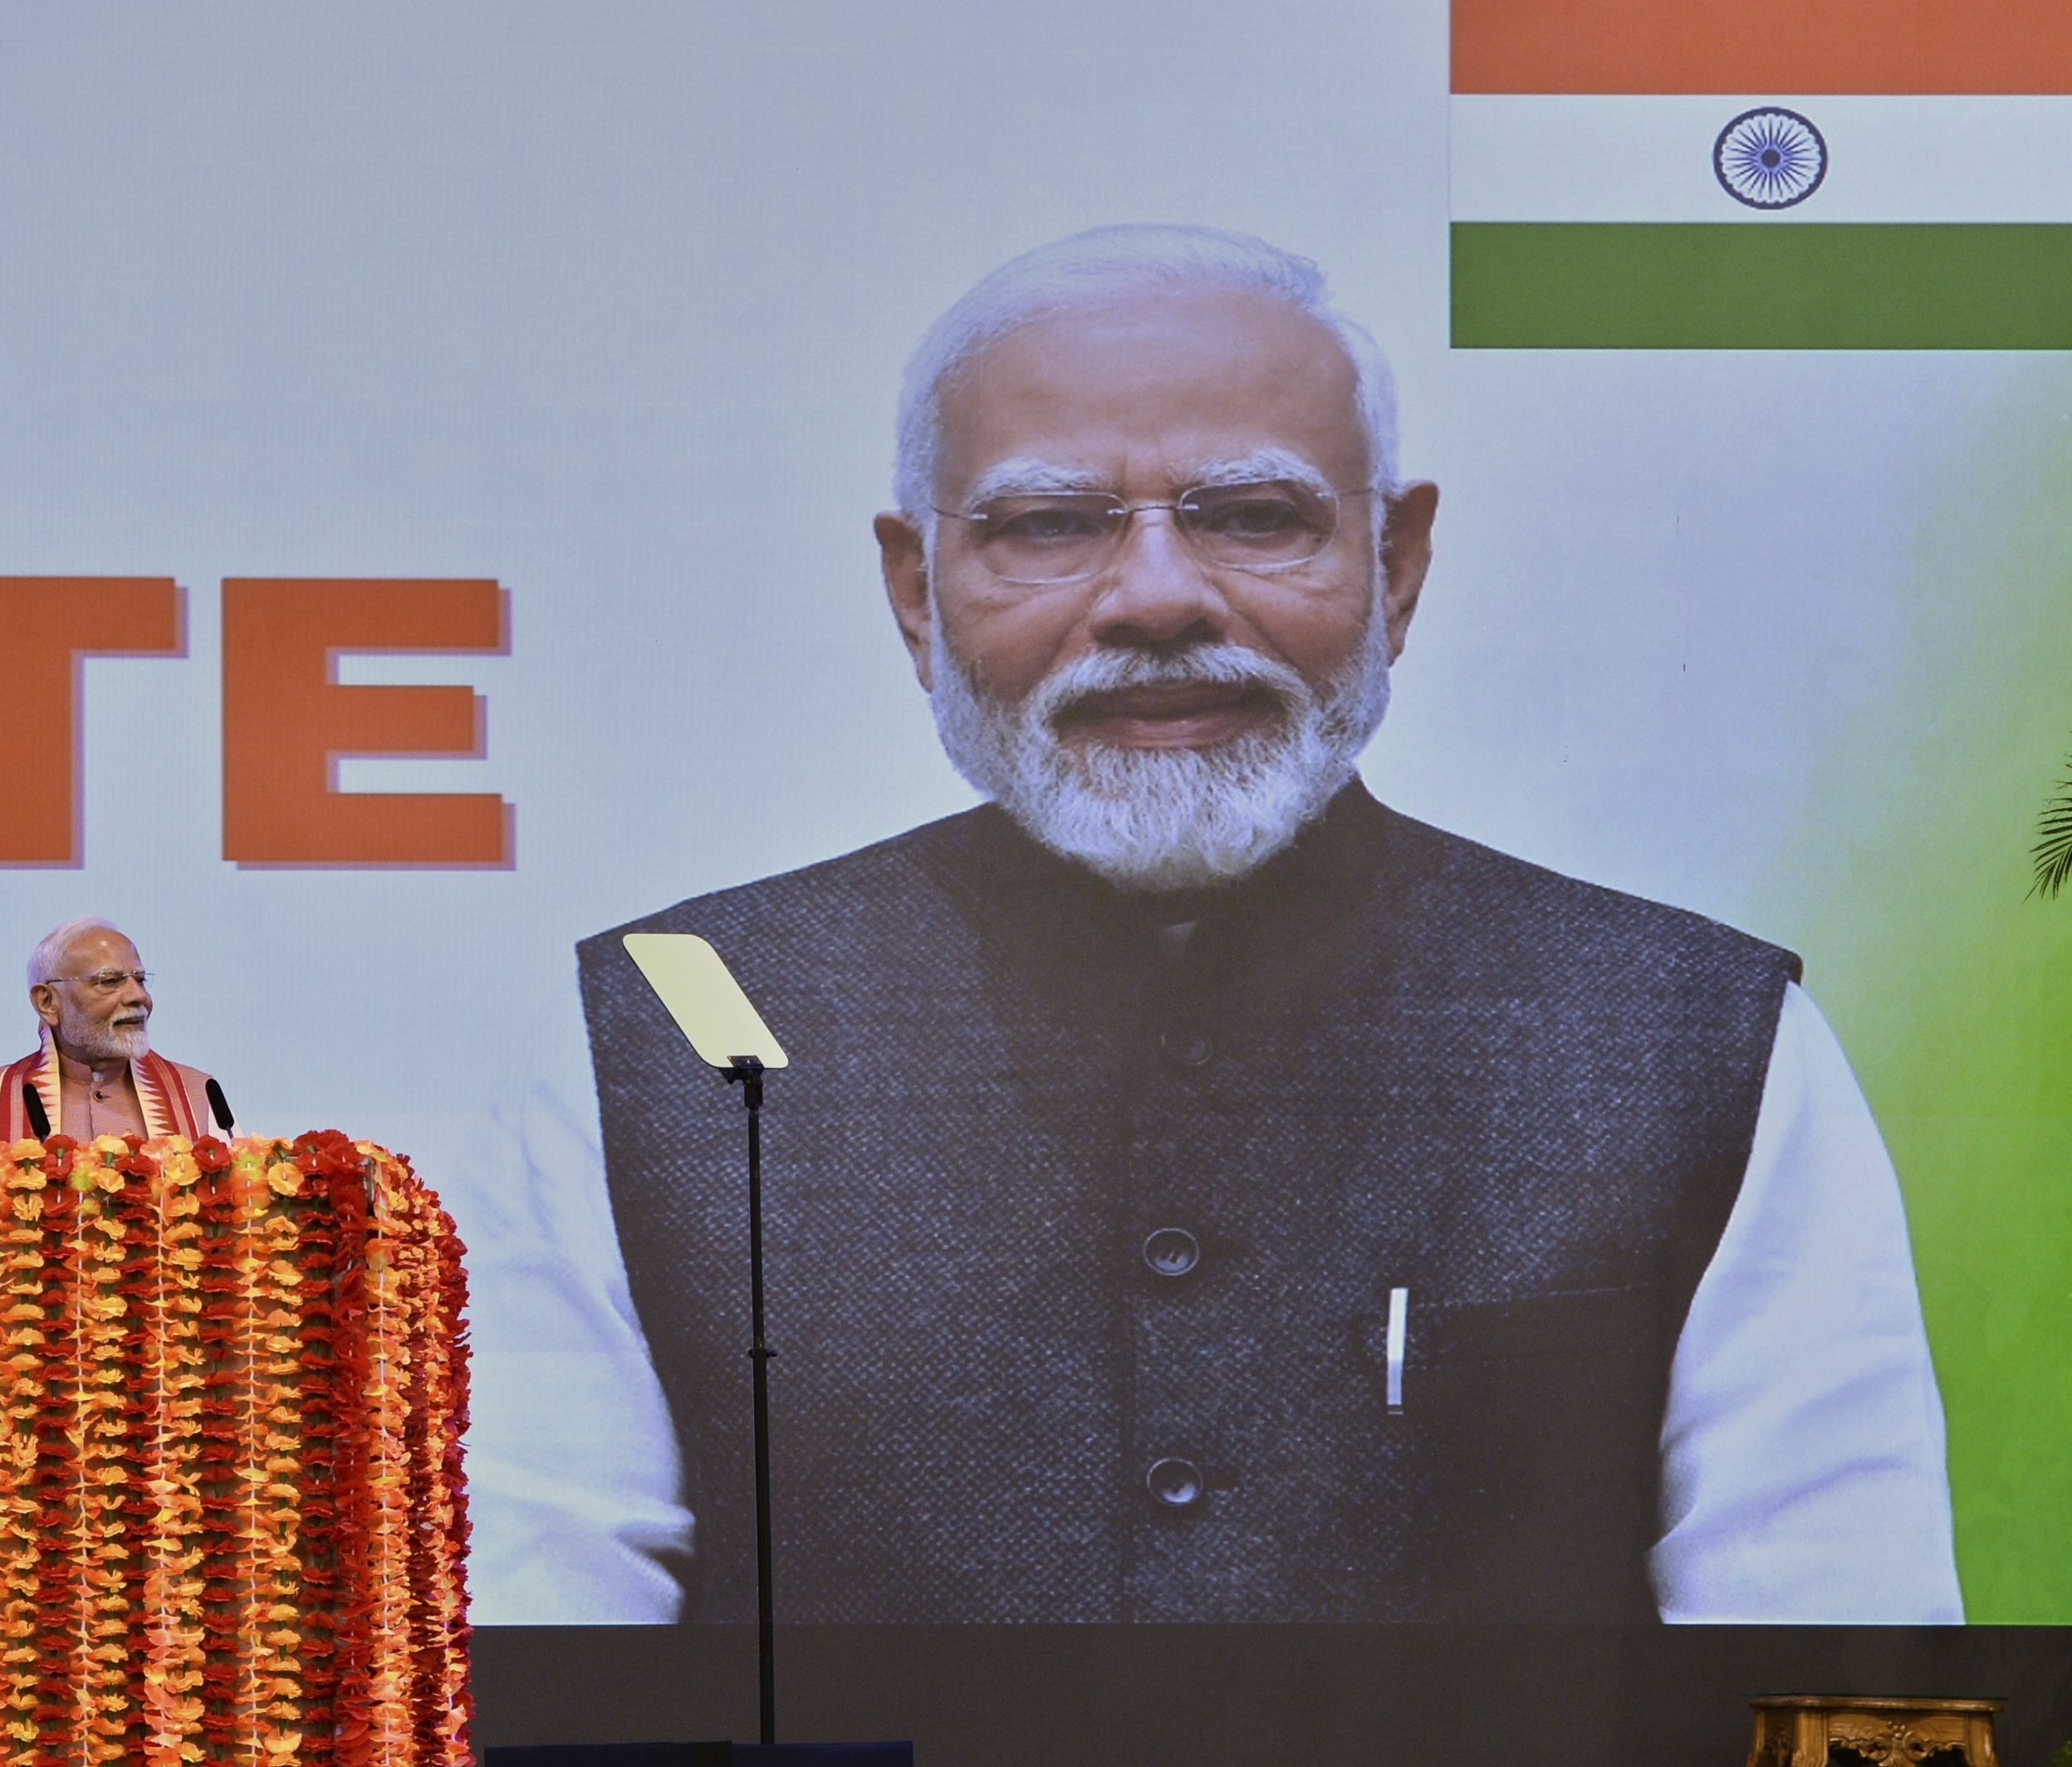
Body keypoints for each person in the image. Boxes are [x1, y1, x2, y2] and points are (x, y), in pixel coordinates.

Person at [469, 223, 1962, 1627]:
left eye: (1254, 518)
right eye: (1050, 525)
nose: (1159, 596)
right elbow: (524, 1645)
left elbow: (1834, 1650)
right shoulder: (669, 1032)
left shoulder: (1693, 1038)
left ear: (1398, 567)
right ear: (918, 591)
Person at [0, 917, 222, 1143]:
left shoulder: (202, 1097)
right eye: (109, 981)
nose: (138, 996)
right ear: (47, 1002)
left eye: (140, 979)